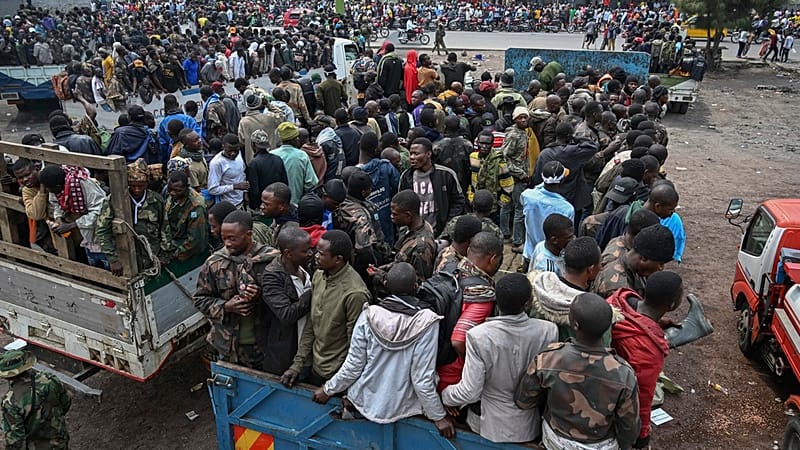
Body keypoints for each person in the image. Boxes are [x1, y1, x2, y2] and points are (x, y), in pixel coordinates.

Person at [312, 263, 454, 438]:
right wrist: (438, 416)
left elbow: (353, 365)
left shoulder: (369, 315)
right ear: (416, 287)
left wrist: (328, 390)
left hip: (362, 402)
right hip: (403, 408)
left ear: (386, 285)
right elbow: (422, 378)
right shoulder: (426, 322)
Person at [515, 292, 640, 450]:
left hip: (556, 440)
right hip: (600, 444)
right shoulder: (624, 373)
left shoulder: (548, 359)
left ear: (575, 325)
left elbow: (524, 400)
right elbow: (629, 427)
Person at [442, 273, 557, 443]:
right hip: (528, 425)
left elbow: (470, 391)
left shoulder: (479, 336)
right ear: (527, 304)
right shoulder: (549, 331)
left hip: (490, 426)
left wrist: (445, 395)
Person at [281, 230, 371, 387]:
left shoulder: (355, 293)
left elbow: (355, 346)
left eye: (321, 254)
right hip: (316, 367)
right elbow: (312, 322)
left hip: (337, 375)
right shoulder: (319, 275)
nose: (315, 256)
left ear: (338, 259)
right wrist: (297, 365)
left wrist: (335, 386)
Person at [607, 271, 684, 450]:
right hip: (616, 404)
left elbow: (635, 316)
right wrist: (642, 435)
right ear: (671, 305)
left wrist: (654, 322)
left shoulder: (616, 302)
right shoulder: (648, 349)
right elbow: (642, 395)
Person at [193, 211, 275, 369]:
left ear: (249, 234)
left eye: (232, 238)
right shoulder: (215, 263)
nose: (227, 244)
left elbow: (286, 303)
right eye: (224, 238)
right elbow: (200, 299)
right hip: (226, 345)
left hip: (262, 345)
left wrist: (260, 295)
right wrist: (226, 306)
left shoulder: (270, 261)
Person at [437, 232, 504, 391]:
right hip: (453, 376)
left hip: (434, 363)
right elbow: (459, 341)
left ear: (468, 251)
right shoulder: (481, 294)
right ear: (493, 259)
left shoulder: (449, 270)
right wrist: (476, 363)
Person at [259, 227, 313, 375]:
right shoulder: (272, 276)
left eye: (310, 249)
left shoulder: (306, 267)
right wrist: (315, 292)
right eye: (305, 251)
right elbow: (286, 314)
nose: (310, 254)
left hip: (309, 348)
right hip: (287, 354)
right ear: (289, 253)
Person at [96, 158, 164, 275]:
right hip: (125, 257)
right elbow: (102, 230)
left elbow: (164, 228)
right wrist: (113, 259)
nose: (137, 189)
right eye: (133, 185)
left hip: (151, 256)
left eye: (141, 185)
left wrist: (164, 256)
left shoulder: (156, 201)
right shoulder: (116, 200)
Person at [530, 237, 603, 341]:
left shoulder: (539, 287)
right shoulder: (590, 312)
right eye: (600, 263)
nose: (601, 267)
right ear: (590, 270)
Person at [0, 350, 71, 450]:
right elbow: (66, 401)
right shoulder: (50, 379)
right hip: (59, 442)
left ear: (8, 376)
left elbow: (16, 439)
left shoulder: (11, 401)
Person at [40, 165, 108, 268]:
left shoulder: (83, 185)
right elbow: (56, 203)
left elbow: (100, 210)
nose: (49, 192)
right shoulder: (57, 188)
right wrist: (58, 218)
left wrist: (72, 225)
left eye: (49, 189)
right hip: (87, 238)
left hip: (103, 237)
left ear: (57, 187)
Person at [399, 137, 465, 236]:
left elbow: (458, 202)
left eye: (416, 154)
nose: (412, 157)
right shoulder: (406, 177)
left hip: (440, 233)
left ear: (428, 154)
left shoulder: (446, 174)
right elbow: (401, 205)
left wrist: (447, 229)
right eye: (411, 154)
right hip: (414, 233)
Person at [593, 223, 675, 299]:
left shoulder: (635, 269)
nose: (661, 268)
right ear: (644, 258)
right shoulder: (619, 290)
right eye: (660, 264)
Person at [375, 190, 437, 283]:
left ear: (408, 215)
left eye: (395, 214)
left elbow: (418, 284)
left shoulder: (421, 247)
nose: (391, 216)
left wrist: (382, 276)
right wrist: (389, 267)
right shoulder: (406, 228)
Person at [521, 161, 574, 261]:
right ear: (562, 181)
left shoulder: (527, 196)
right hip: (551, 258)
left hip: (530, 253)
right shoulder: (567, 208)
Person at [160, 171, 209, 264]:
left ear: (186, 188)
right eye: (171, 189)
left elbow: (196, 241)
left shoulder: (196, 206)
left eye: (178, 191)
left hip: (187, 248)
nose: (173, 193)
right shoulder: (168, 192)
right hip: (172, 239)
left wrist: (175, 254)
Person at [501, 106, 532, 253]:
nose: (524, 120)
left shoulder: (523, 133)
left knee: (508, 205)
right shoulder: (513, 135)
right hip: (515, 177)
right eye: (520, 117)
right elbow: (505, 157)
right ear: (515, 119)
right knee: (518, 209)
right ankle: (517, 240)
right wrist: (520, 173)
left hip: (520, 175)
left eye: (525, 117)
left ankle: (505, 233)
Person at [11, 158, 53, 253]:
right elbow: (35, 214)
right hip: (50, 231)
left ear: (37, 168)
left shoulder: (51, 177)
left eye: (27, 175)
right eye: (20, 178)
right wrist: (42, 190)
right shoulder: (27, 190)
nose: (25, 180)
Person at [272, 122, 319, 205]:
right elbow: (312, 182)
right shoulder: (302, 155)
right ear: (295, 139)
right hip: (296, 204)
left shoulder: (272, 154)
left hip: (275, 205)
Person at [246, 130, 289, 210]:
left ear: (253, 145)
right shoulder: (278, 159)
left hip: (263, 206)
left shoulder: (254, 164)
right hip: (278, 204)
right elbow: (285, 183)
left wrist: (255, 207)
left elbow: (254, 191)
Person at [238, 93, 283, 162]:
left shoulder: (243, 122)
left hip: (253, 160)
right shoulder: (269, 117)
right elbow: (281, 115)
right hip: (271, 156)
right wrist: (268, 104)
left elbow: (241, 141)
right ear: (260, 104)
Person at [207, 134, 248, 208]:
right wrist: (234, 187)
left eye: (236, 150)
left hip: (241, 202)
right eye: (230, 150)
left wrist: (245, 192)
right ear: (223, 147)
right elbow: (212, 189)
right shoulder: (217, 163)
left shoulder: (239, 155)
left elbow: (242, 173)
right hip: (228, 206)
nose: (233, 153)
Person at [157, 95, 201, 162]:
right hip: (192, 155)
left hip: (173, 157)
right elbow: (199, 136)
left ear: (165, 107)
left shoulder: (163, 123)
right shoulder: (188, 119)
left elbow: (163, 145)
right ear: (178, 104)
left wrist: (164, 160)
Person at [259, 182, 300, 248]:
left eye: (266, 204)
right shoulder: (280, 216)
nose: (261, 206)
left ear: (281, 206)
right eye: (262, 202)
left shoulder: (291, 231)